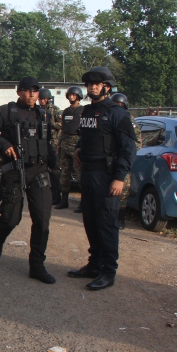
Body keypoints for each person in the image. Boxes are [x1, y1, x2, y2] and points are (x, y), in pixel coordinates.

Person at [0, 76, 57, 284]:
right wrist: (3, 143)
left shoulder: (44, 115)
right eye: (27, 90)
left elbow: (47, 142)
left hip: (39, 171)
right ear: (18, 91)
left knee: (42, 220)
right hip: (14, 170)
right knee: (11, 217)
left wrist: (55, 167)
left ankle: (37, 265)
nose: (31, 94)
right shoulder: (6, 112)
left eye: (35, 90)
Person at [69, 67, 136, 290]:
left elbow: (128, 149)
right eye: (89, 84)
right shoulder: (87, 112)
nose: (92, 87)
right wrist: (79, 148)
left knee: (106, 224)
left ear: (106, 87)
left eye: (96, 84)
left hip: (107, 177)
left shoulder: (117, 113)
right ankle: (94, 264)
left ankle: (108, 271)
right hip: (88, 175)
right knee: (90, 222)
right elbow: (86, 137)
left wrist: (119, 178)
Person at [111, 93, 142, 229]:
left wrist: (127, 153)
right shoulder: (109, 117)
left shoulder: (129, 120)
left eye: (120, 105)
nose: (118, 107)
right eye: (115, 105)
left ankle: (121, 217)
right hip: (110, 159)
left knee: (123, 191)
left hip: (124, 159)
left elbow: (137, 142)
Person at [56, 86, 85, 211]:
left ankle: (83, 203)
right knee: (65, 173)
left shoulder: (82, 111)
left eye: (74, 95)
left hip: (77, 144)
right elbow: (62, 129)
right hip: (65, 143)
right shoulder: (66, 111)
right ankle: (64, 200)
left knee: (80, 174)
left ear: (78, 97)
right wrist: (59, 144)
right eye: (70, 95)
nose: (71, 97)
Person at [39, 88, 62, 205]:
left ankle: (56, 196)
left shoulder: (55, 111)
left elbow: (62, 125)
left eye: (43, 99)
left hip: (53, 143)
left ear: (48, 99)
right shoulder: (38, 110)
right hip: (42, 143)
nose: (40, 101)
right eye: (40, 99)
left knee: (54, 171)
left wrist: (51, 123)